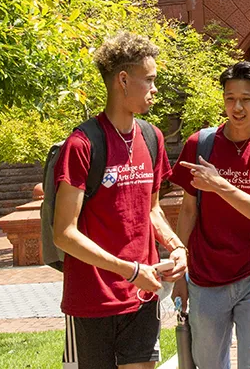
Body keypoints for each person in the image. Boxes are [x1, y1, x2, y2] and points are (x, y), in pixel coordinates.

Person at [53, 32, 187, 369]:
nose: (155, 89)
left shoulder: (151, 137)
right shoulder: (83, 144)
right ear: (123, 80)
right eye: (150, 80)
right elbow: (63, 233)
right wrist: (130, 271)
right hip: (92, 300)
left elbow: (151, 209)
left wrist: (176, 245)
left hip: (143, 295)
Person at [169, 61, 250, 369]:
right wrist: (180, 269)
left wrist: (220, 185)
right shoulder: (201, 144)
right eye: (230, 98)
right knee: (209, 364)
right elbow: (187, 211)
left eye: (246, 99)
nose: (237, 107)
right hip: (204, 276)